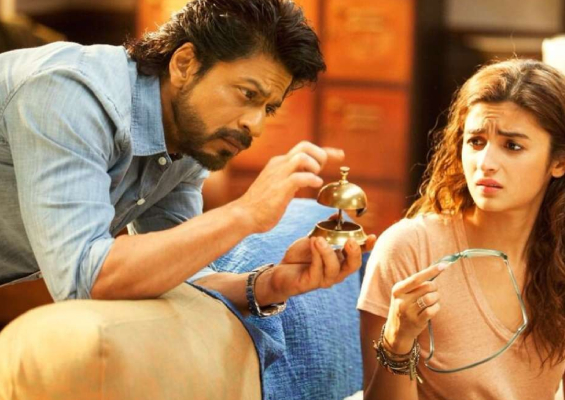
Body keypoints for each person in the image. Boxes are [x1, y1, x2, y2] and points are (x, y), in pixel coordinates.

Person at [0, 0, 372, 317]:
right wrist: (246, 213)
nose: (256, 125)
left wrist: (272, 283)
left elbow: (180, 279)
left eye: (269, 109)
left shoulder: (186, 143)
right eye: (247, 94)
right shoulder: (70, 95)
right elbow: (85, 278)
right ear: (184, 64)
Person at [358, 59, 565, 400]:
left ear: (560, 162)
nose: (485, 163)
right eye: (476, 142)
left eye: (512, 146)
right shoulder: (408, 247)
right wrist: (397, 340)